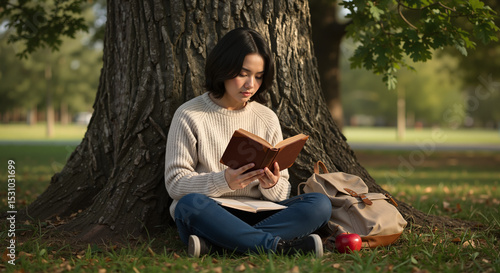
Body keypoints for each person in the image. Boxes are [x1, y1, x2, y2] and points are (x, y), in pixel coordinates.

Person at [164, 27, 331, 258]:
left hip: (261, 212)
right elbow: (175, 183)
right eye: (243, 73)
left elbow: (283, 193)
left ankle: (219, 245)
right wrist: (223, 181)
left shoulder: (266, 117)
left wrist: (270, 185)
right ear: (223, 67)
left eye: (259, 76)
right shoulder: (190, 115)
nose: (251, 84)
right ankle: (276, 247)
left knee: (319, 204)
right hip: (212, 213)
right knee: (188, 205)